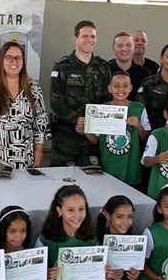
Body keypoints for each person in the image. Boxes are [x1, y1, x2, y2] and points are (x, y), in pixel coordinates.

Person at [0, 41, 49, 171]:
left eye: (18, 57)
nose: (14, 61)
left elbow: (40, 121)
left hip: (24, 158)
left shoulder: (34, 88)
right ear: (1, 60)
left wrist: (39, 149)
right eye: (9, 57)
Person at [49, 20, 112, 167]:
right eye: (85, 36)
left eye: (93, 36)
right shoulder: (61, 66)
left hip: (92, 140)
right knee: (60, 182)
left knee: (93, 181)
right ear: (75, 39)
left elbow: (107, 100)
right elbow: (56, 101)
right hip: (66, 139)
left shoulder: (103, 67)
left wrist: (91, 124)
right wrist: (77, 120)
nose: (90, 40)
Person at [79, 71, 150, 189]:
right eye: (116, 85)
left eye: (125, 85)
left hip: (131, 168)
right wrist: (86, 129)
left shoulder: (139, 108)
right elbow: (95, 140)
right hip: (108, 165)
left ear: (131, 88)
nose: (121, 89)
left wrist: (139, 126)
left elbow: (146, 139)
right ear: (109, 88)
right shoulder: (102, 109)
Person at [109, 31, 151, 101]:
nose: (124, 49)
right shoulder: (105, 70)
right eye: (120, 45)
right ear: (113, 48)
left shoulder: (145, 73)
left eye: (128, 45)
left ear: (133, 47)